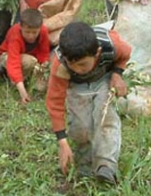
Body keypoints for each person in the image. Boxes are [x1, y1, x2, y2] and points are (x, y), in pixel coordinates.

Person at [46, 21, 131, 185]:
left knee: (105, 117)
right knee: (80, 126)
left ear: (97, 53)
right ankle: (84, 163)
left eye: (82, 64)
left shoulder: (111, 45)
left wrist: (117, 74)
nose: (77, 69)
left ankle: (106, 165)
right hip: (76, 86)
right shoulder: (61, 65)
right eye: (72, 65)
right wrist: (62, 142)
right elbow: (54, 102)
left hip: (103, 79)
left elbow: (126, 55)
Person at [0, 9, 49, 105]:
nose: (31, 36)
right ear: (21, 27)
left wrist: (43, 67)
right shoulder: (15, 34)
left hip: (29, 56)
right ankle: (15, 82)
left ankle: (26, 78)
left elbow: (44, 53)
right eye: (27, 32)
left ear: (40, 28)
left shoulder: (44, 31)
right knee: (29, 61)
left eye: (34, 32)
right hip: (8, 56)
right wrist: (22, 91)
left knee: (41, 87)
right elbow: (13, 62)